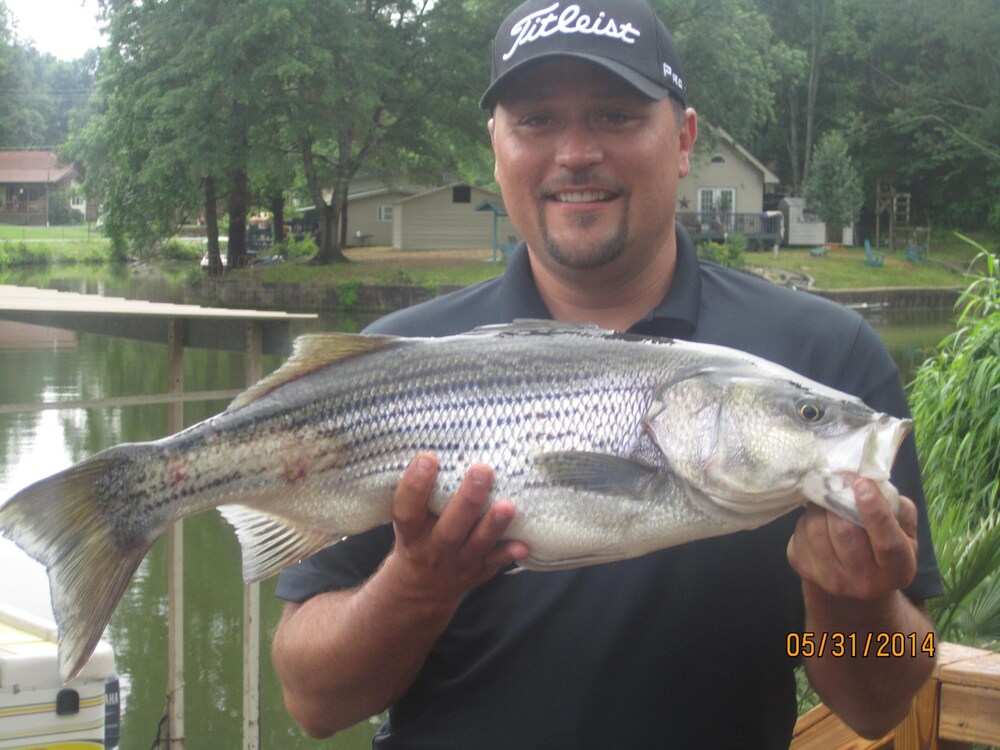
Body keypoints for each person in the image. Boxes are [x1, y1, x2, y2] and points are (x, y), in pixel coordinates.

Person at [272, 1, 942, 747]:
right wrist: (416, 587)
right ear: (494, 148)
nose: (576, 152)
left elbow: (885, 698)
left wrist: (846, 601)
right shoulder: (394, 362)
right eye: (535, 121)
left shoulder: (822, 363)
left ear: (684, 139)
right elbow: (312, 700)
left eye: (617, 115)